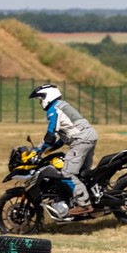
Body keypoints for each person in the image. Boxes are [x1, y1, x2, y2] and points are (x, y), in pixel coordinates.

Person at [29, 83, 98, 217]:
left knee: (67, 173)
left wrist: (38, 150)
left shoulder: (54, 109)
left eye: (40, 99)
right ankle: (92, 197)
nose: (40, 103)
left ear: (47, 97)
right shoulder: (63, 105)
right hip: (88, 137)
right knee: (82, 173)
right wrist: (52, 149)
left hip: (81, 140)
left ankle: (84, 204)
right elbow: (65, 134)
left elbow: (50, 135)